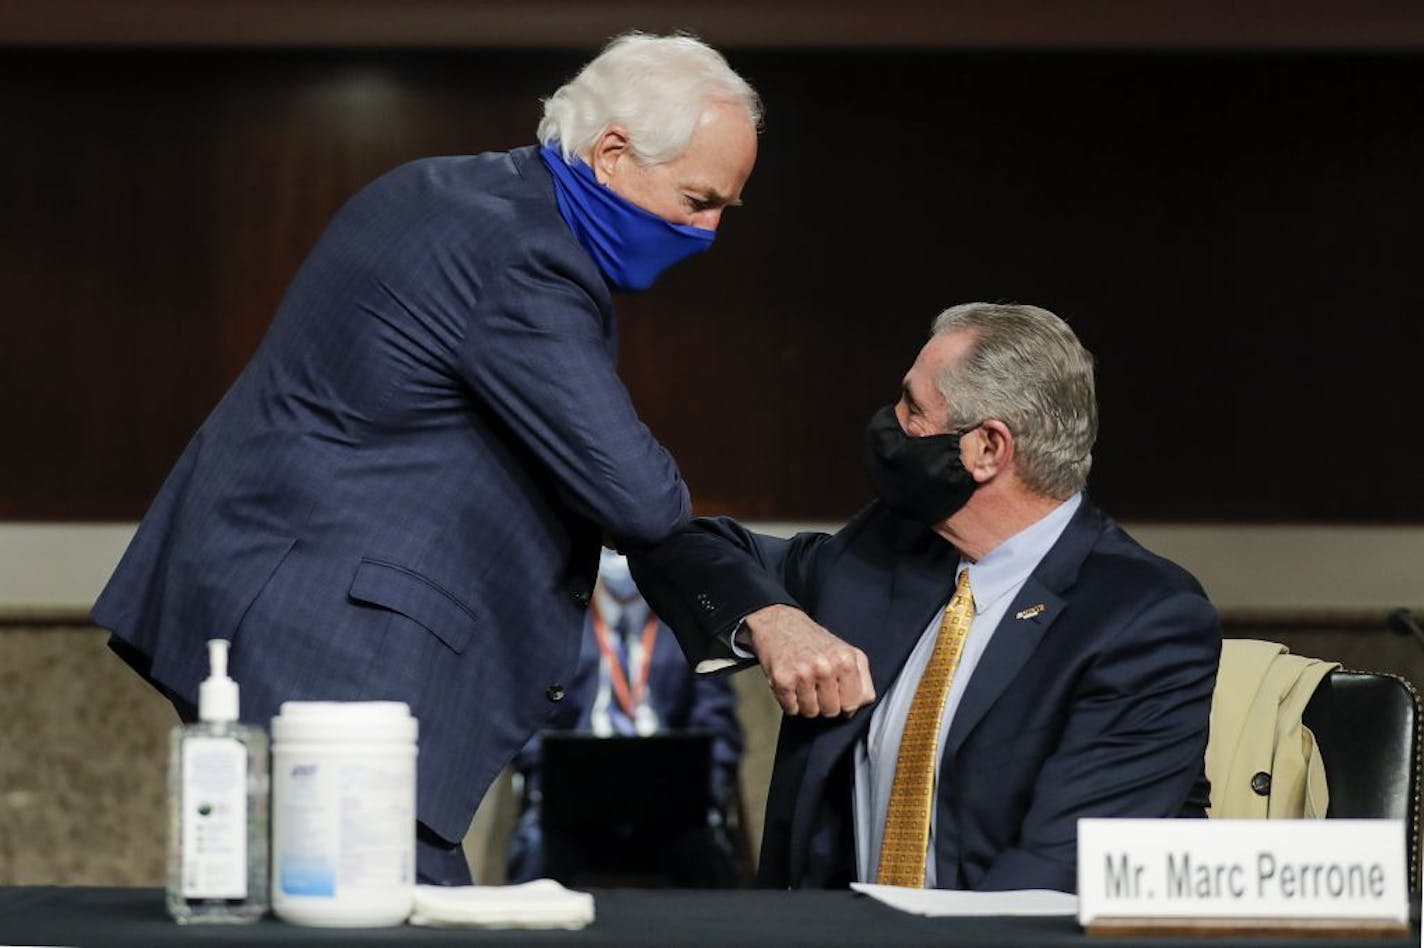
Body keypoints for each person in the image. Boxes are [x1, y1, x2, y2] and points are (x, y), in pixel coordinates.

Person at [90, 32, 869, 886]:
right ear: (611, 153)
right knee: (386, 912)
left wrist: (752, 610)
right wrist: (765, 607)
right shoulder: (525, 256)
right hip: (335, 650)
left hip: (265, 604)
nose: (711, 231)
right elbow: (638, 495)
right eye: (697, 198)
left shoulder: (436, 189)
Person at [629, 303, 1222, 893]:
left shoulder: (1143, 619)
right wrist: (774, 618)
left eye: (912, 408)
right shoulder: (883, 548)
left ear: (987, 448)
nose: (889, 422)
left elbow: (1053, 875)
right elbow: (683, 546)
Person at [505, 550, 744, 887]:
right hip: (572, 807)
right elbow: (529, 721)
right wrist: (544, 773)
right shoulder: (559, 626)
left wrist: (708, 788)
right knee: (538, 853)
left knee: (708, 857)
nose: (620, 558)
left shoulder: (689, 627)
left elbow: (720, 727)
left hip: (671, 809)